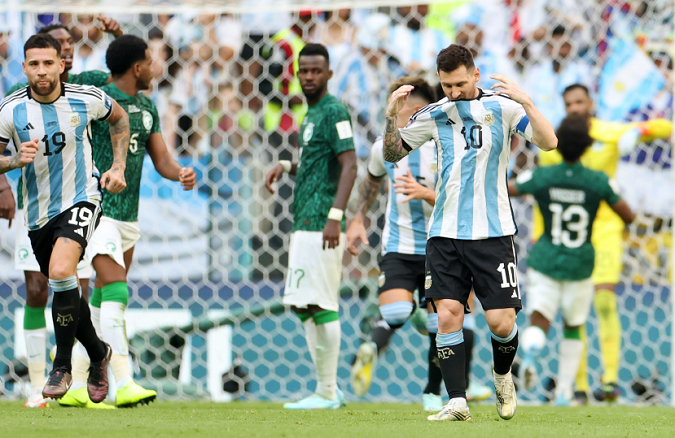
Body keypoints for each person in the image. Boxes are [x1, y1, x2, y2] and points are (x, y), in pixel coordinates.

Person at [383, 44, 557, 421]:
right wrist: (390, 118)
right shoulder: (434, 114)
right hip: (444, 233)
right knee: (447, 315)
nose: (454, 92)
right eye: (447, 85)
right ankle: (457, 400)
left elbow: (548, 141)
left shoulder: (504, 107)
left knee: (501, 322)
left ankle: (501, 375)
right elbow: (393, 154)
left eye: (460, 83)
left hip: (493, 233)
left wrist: (527, 102)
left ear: (475, 75)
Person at [58, 35, 197, 409]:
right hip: (97, 209)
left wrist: (180, 172)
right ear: (138, 67)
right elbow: (80, 72)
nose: (155, 67)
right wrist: (112, 38)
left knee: (103, 300)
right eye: (150, 61)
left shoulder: (148, 106)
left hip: (128, 219)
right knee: (116, 287)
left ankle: (79, 384)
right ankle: (124, 382)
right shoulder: (97, 94)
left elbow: (161, 159)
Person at [347, 76, 490, 411]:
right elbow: (371, 181)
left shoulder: (447, 146)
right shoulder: (387, 148)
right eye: (397, 111)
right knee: (396, 310)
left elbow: (465, 197)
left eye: (410, 110)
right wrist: (357, 220)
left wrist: (426, 193)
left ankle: (432, 391)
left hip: (441, 247)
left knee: (440, 325)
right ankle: (401, 331)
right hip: (398, 245)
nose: (404, 117)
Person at [0, 18, 123, 409]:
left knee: (58, 272)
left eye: (48, 63)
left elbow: (120, 118)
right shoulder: (11, 109)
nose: (41, 71)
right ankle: (98, 352)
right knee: (63, 282)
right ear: (25, 68)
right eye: (33, 64)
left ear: (60, 65)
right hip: (37, 215)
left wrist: (117, 166)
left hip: (83, 197)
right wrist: (13, 160)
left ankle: (63, 364)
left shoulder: (86, 97)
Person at [533, 83, 672, 404]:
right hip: (571, 234)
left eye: (580, 102)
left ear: (591, 103)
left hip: (606, 228)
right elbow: (545, 193)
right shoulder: (557, 141)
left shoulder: (609, 131)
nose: (575, 108)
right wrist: (540, 230)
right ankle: (577, 385)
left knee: (605, 302)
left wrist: (639, 133)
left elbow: (666, 126)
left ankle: (609, 381)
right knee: (573, 308)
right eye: (569, 104)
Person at [509, 114, 634, 406]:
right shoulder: (597, 181)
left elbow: (511, 188)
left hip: (545, 260)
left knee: (540, 319)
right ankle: (565, 392)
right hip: (580, 263)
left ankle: (529, 357)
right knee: (574, 324)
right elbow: (628, 215)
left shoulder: (543, 176)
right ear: (588, 145)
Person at [266, 43, 357, 410]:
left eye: (316, 71)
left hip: (322, 221)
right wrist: (287, 166)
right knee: (303, 304)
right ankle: (327, 387)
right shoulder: (311, 114)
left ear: (329, 74)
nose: (309, 77)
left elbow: (350, 165)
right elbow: (317, 162)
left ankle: (327, 390)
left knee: (321, 302)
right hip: (304, 219)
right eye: (304, 70)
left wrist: (335, 217)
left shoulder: (334, 110)